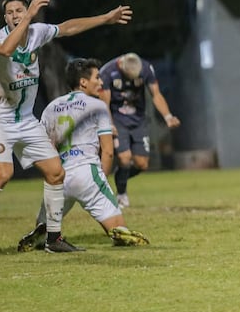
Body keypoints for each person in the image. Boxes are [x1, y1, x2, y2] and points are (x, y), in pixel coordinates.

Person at [0, 0, 132, 260]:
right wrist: (28, 17)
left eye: (19, 10)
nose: (15, 15)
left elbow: (67, 27)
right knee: (2, 174)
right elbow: (7, 51)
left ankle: (53, 238)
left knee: (55, 173)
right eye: (10, 12)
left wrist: (105, 19)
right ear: (5, 17)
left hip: (26, 120)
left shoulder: (37, 32)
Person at [17, 58, 150, 252]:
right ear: (83, 82)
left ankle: (43, 233)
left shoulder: (51, 107)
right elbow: (108, 151)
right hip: (87, 173)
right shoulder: (97, 106)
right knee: (120, 229)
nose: (101, 82)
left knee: (46, 227)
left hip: (59, 177)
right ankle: (117, 232)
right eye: (97, 77)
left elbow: (45, 147)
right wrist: (101, 179)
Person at [99, 52, 180, 208]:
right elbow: (104, 104)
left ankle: (120, 176)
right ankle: (122, 195)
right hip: (117, 120)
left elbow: (156, 95)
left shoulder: (145, 68)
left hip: (138, 120)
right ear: (122, 67)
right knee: (124, 158)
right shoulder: (108, 72)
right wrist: (109, 124)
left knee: (142, 164)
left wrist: (168, 116)